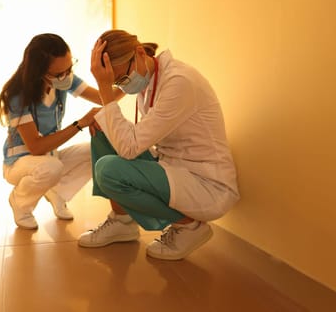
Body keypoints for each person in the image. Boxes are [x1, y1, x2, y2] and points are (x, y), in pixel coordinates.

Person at [78, 29, 240, 260]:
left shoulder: (179, 82)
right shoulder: (151, 79)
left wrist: (104, 90)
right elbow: (133, 139)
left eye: (123, 79)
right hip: (171, 166)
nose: (123, 87)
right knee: (103, 131)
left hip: (205, 183)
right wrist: (106, 113)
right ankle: (122, 221)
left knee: (108, 169)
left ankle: (189, 226)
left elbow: (129, 148)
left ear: (140, 53)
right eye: (116, 83)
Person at [0, 33, 123, 230]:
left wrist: (130, 78)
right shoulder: (16, 95)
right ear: (38, 72)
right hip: (19, 163)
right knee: (51, 168)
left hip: (50, 157)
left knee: (97, 154)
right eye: (58, 74)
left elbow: (105, 98)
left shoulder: (63, 80)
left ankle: (57, 192)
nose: (66, 77)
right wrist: (80, 123)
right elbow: (36, 147)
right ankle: (20, 202)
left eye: (69, 68)